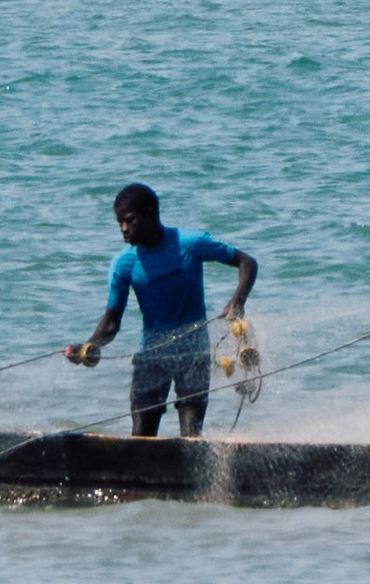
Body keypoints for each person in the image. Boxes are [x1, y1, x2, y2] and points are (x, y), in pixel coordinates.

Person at [66, 183, 256, 439]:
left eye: (130, 220)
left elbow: (247, 262)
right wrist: (90, 346)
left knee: (191, 435)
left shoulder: (191, 243)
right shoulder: (124, 264)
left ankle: (187, 475)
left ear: (151, 213)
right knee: (142, 435)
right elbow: (111, 323)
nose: (124, 228)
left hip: (194, 351)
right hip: (152, 354)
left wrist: (237, 301)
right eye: (120, 222)